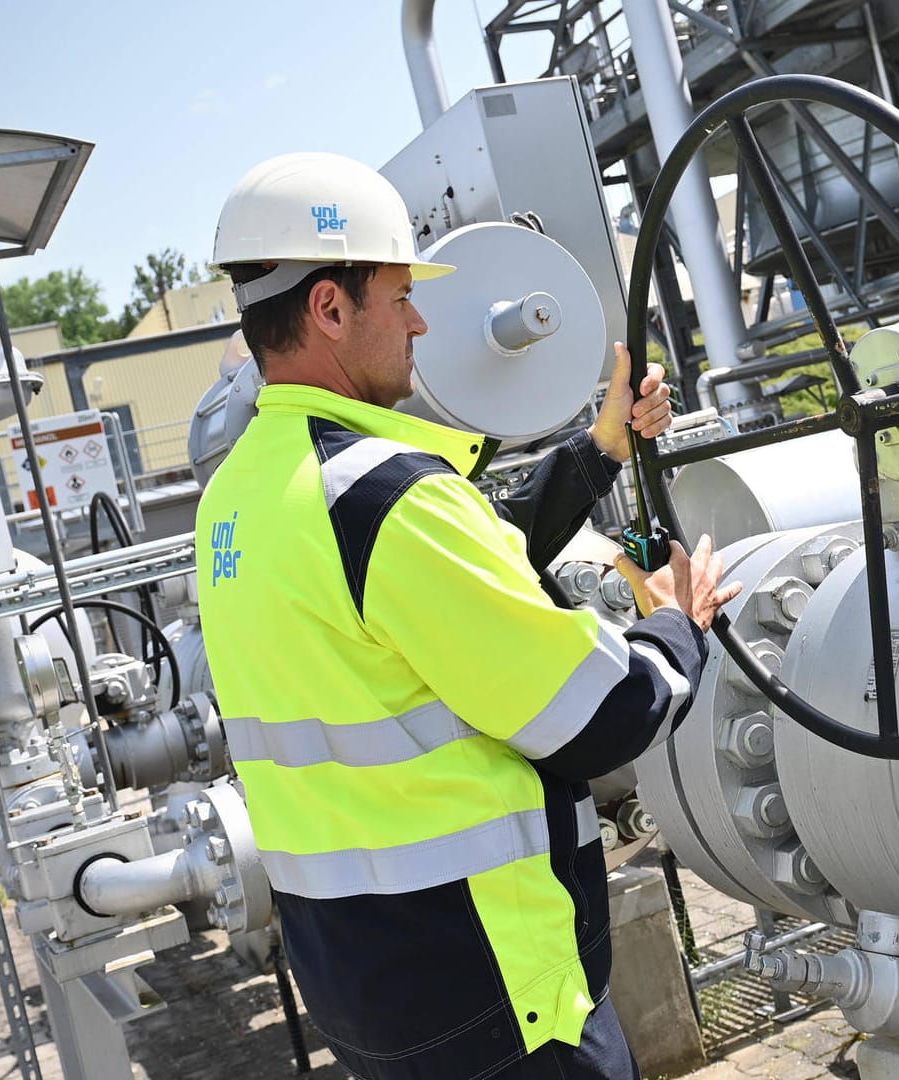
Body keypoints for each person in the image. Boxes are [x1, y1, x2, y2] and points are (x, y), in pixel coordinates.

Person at [196, 150, 741, 1080]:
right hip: (494, 996)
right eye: (399, 296)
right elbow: (596, 717)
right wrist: (674, 629)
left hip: (365, 986)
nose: (417, 322)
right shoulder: (388, 499)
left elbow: (435, 590)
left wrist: (601, 449)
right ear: (330, 307)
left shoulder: (240, 495)